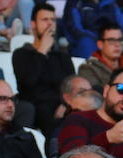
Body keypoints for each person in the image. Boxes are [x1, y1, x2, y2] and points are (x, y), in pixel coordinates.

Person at [12, 3, 75, 136]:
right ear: (33, 24)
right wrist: (41, 52)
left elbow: (72, 83)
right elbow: (27, 83)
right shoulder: (21, 54)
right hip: (37, 108)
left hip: (64, 105)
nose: (50, 24)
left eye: (53, 20)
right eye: (45, 20)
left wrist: (65, 104)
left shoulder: (62, 56)